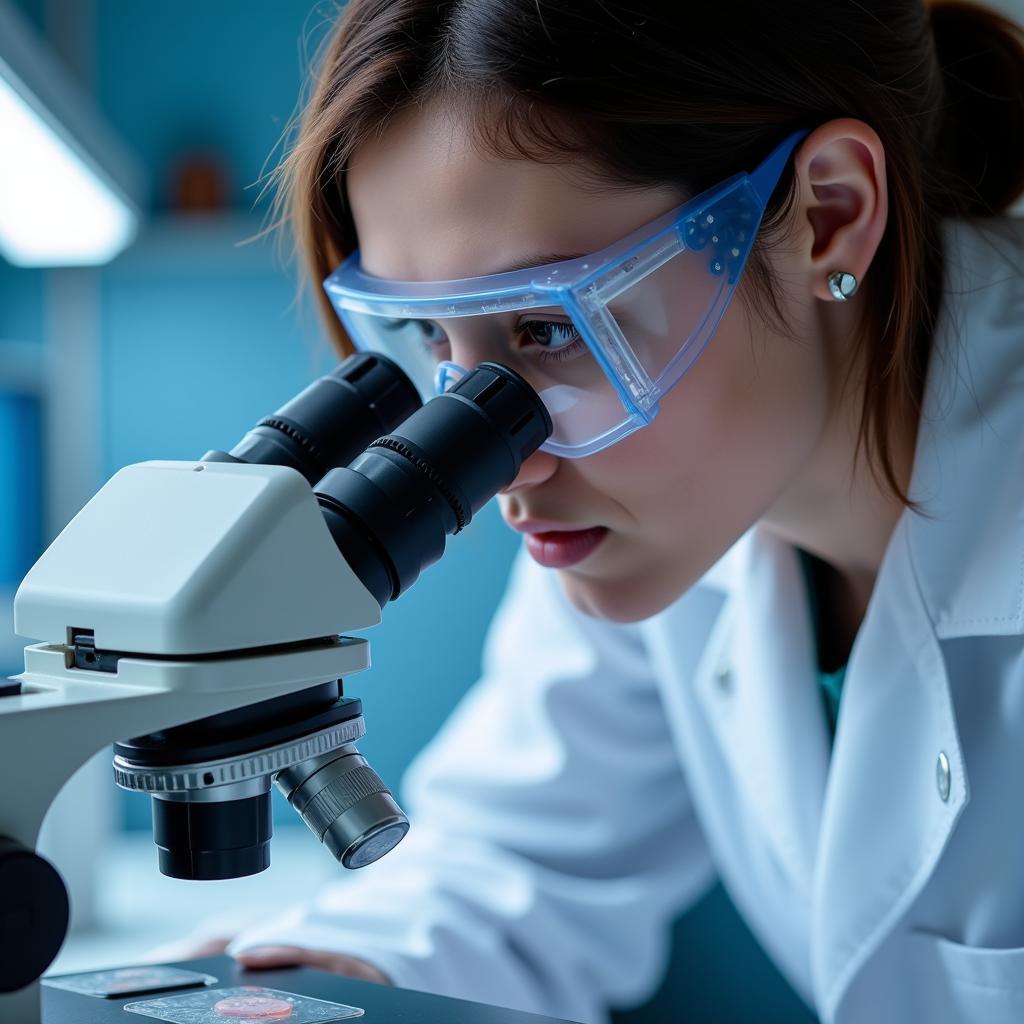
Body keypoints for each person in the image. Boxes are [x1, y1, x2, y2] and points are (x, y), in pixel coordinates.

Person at [166, 2, 1024, 1022]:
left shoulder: (656, 488)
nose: (493, 464)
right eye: (432, 344)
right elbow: (521, 864)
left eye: (546, 328)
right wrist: (337, 967)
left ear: (827, 214)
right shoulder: (663, 511)